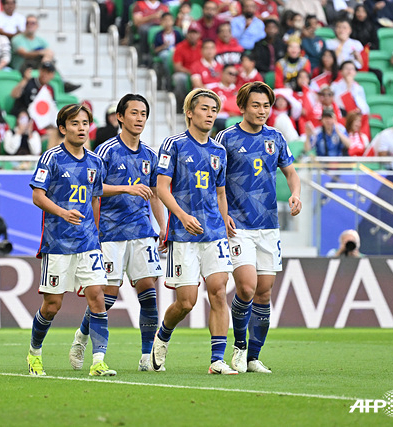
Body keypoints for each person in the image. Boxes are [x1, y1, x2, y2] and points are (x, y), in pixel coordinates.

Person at [71, 94, 166, 372]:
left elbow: (155, 195)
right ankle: (81, 336)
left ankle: (147, 356)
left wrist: (162, 227)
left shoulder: (149, 155)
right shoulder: (106, 151)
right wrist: (125, 188)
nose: (139, 119)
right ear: (120, 118)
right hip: (111, 233)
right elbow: (93, 188)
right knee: (108, 296)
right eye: (134, 113)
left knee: (148, 293)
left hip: (141, 232)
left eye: (143, 114)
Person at [214, 81, 301, 373]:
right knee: (247, 288)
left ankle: (254, 357)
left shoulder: (276, 138)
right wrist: (221, 214)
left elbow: (291, 173)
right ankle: (238, 348)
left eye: (266, 105)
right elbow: (217, 183)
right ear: (242, 106)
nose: (262, 111)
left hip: (268, 225)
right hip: (239, 226)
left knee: (264, 292)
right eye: (256, 105)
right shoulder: (226, 138)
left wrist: (295, 194)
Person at [26, 103, 116, 377]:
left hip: (88, 242)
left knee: (97, 297)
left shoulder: (95, 162)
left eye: (85, 123)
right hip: (58, 243)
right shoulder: (51, 157)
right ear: (63, 128)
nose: (81, 128)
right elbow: (37, 196)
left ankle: (98, 362)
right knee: (52, 305)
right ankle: (34, 353)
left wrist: (97, 234)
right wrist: (63, 212)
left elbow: (95, 199)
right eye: (75, 123)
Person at [150, 88, 236, 374]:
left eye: (214, 110)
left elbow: (221, 193)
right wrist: (182, 216)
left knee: (219, 293)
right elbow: (161, 188)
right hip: (184, 236)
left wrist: (224, 222)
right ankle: (162, 337)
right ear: (189, 112)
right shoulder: (173, 144)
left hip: (214, 234)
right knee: (186, 302)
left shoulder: (219, 151)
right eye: (204, 109)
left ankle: (217, 360)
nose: (210, 114)